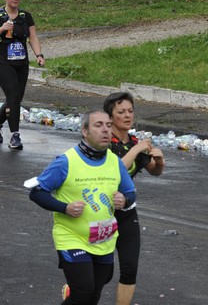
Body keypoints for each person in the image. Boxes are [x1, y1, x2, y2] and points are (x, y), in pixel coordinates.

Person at [29, 111, 136, 305]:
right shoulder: (66, 162)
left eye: (108, 125)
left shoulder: (115, 162)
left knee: (93, 294)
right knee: (83, 292)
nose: (105, 130)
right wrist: (65, 207)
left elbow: (130, 193)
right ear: (85, 131)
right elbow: (37, 192)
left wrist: (125, 200)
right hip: (72, 237)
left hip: (103, 238)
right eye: (98, 125)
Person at [103, 92, 165, 305]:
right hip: (102, 212)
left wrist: (160, 160)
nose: (128, 116)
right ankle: (77, 293)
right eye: (121, 112)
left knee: (130, 268)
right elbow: (115, 170)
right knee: (104, 272)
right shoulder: (104, 142)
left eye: (130, 111)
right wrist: (137, 148)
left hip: (127, 211)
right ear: (110, 117)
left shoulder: (134, 141)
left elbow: (154, 171)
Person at [0, 0, 45, 150]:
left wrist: (39, 55)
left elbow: (33, 37)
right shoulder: (0, 15)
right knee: (12, 95)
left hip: (21, 63)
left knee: (16, 99)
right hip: (3, 62)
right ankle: (14, 136)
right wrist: (2, 29)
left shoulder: (26, 16)